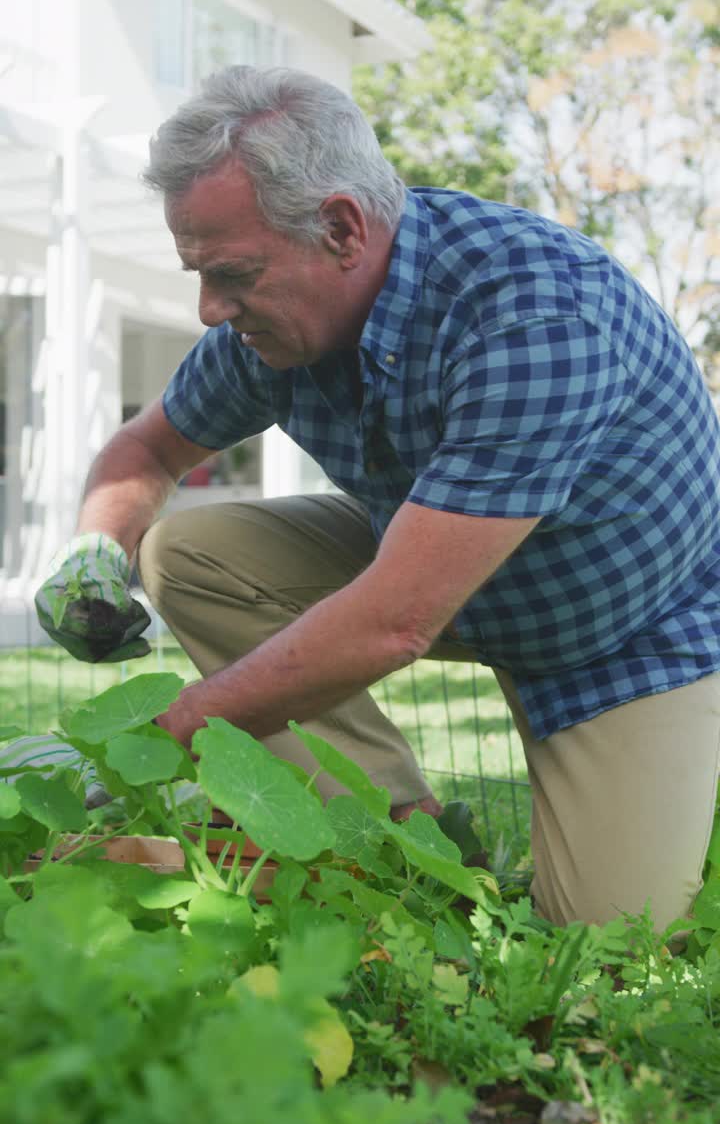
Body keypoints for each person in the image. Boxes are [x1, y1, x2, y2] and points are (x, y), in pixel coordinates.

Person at [35, 65, 720, 930]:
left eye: (233, 274)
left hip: (618, 629)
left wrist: (169, 732)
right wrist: (98, 541)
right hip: (439, 568)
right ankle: (411, 840)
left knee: (607, 937)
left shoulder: (537, 313)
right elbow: (147, 448)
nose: (210, 309)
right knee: (186, 553)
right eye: (200, 274)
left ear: (342, 228)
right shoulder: (273, 324)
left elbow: (397, 620)